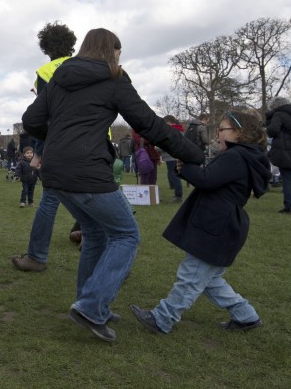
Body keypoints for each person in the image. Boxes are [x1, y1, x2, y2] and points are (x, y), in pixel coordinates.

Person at [22, 28, 205, 343]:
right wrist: (194, 154)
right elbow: (148, 124)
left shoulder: (58, 79)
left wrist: (58, 137)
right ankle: (92, 306)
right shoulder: (114, 78)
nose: (121, 57)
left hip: (55, 171)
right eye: (119, 52)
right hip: (87, 170)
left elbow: (31, 120)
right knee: (126, 234)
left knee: (94, 234)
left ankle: (87, 302)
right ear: (112, 51)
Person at [130, 110, 270, 335]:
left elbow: (207, 179)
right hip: (223, 225)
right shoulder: (245, 156)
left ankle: (162, 318)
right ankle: (246, 316)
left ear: (239, 133)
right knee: (209, 279)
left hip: (217, 225)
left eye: (222, 130)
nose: (217, 136)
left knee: (191, 276)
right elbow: (212, 178)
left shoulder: (236, 156)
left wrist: (185, 168)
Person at [11, 21, 77, 272]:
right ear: (72, 44)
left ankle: (37, 257)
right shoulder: (90, 66)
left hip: (59, 143)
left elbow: (43, 117)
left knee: (49, 200)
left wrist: (38, 152)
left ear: (45, 48)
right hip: (94, 142)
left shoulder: (46, 72)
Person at [160, 115, 185, 202]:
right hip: (172, 156)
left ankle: (178, 195)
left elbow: (167, 144)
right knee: (173, 174)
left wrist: (158, 147)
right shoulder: (178, 130)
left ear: (170, 122)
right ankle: (177, 194)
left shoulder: (173, 131)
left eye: (166, 123)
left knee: (174, 175)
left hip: (172, 156)